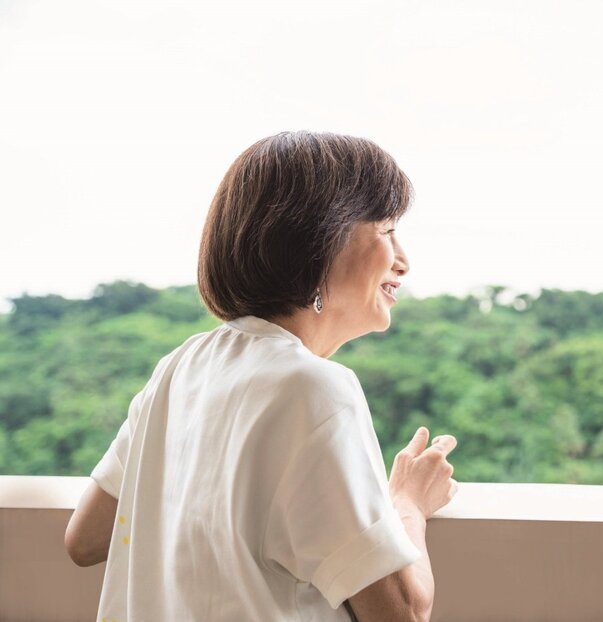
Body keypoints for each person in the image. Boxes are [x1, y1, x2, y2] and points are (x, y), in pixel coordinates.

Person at [63, 131, 459, 621]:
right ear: (321, 241)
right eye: (387, 229)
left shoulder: (180, 366)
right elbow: (403, 613)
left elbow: (84, 538)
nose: (403, 259)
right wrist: (408, 505)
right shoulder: (315, 388)